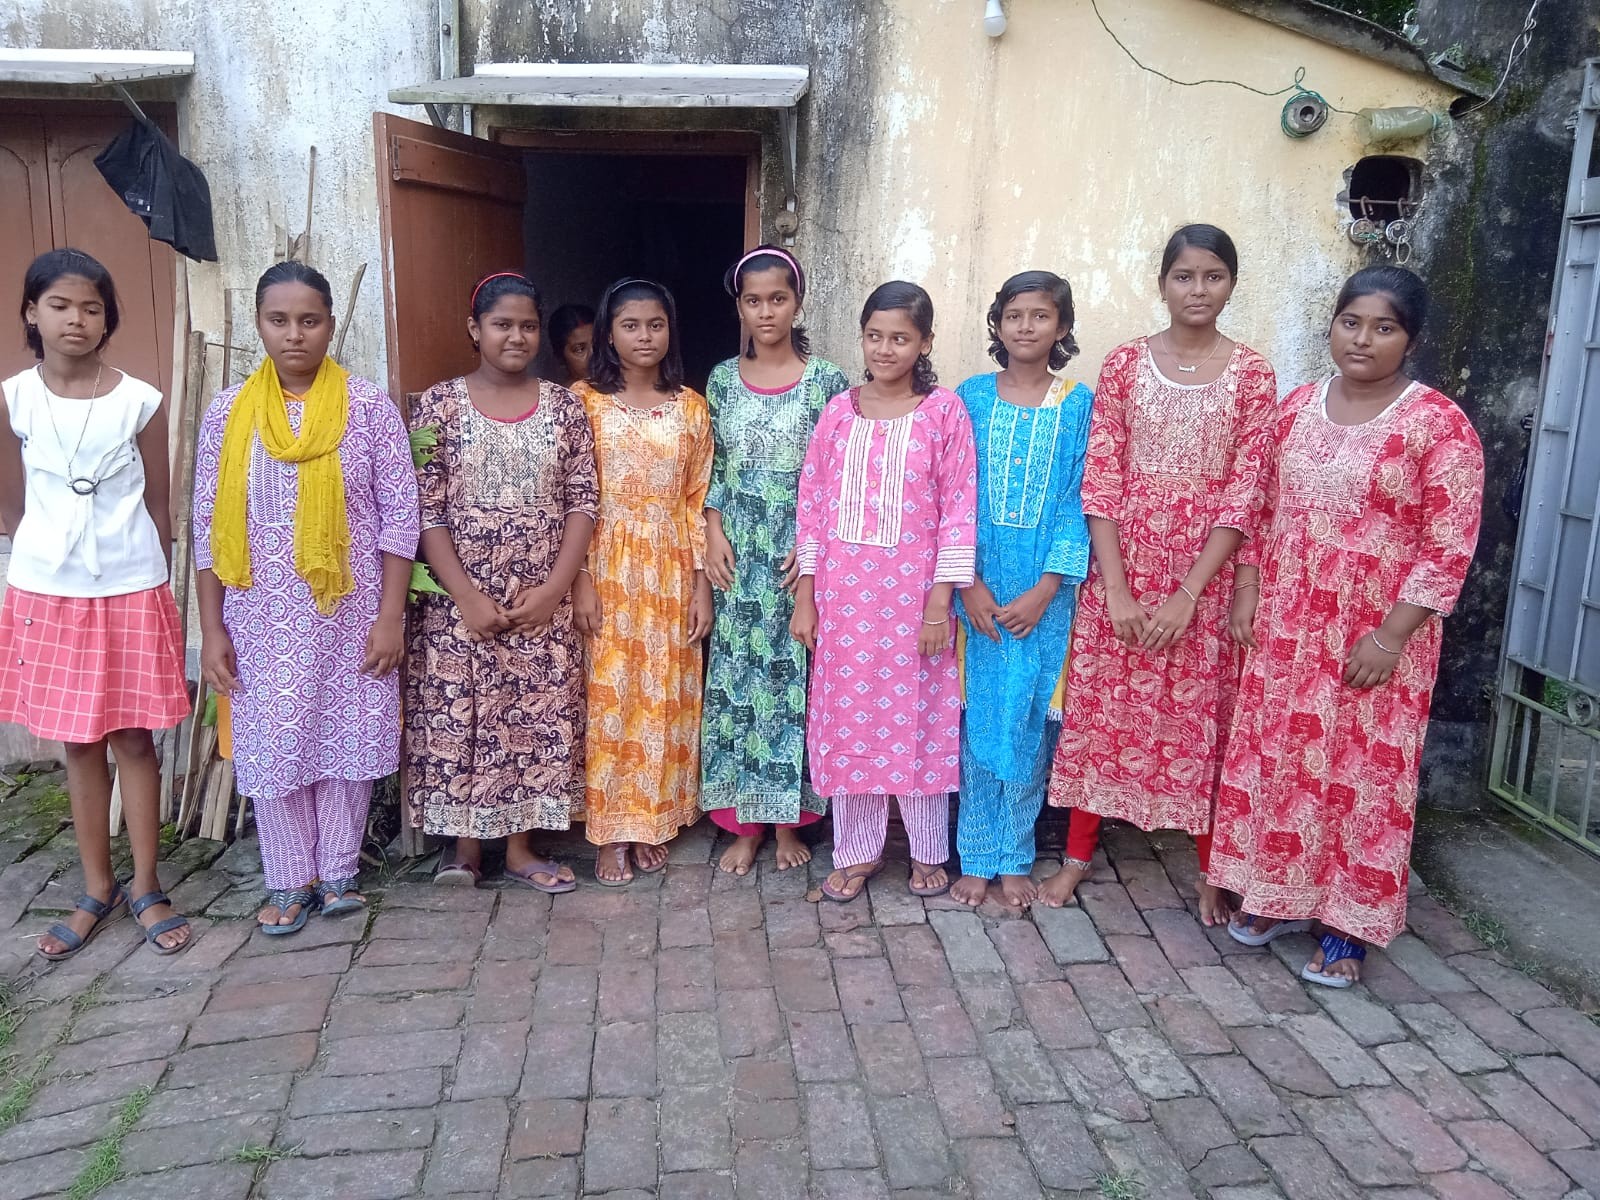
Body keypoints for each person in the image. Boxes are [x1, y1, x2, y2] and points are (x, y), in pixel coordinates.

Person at [1208, 266, 1483, 986]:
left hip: (1375, 634)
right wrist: (1246, 588)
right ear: (1331, 325)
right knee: (1281, 763)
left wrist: (1392, 635)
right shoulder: (1297, 408)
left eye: (1383, 327)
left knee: (1358, 778)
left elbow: (1448, 545)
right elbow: (1259, 507)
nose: (1363, 339)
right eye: (1351, 321)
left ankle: (1344, 926)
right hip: (1286, 624)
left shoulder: (1437, 425)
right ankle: (1274, 896)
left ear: (1410, 339)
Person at [1039, 225, 1277, 919]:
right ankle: (1079, 855)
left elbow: (1247, 490)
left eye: (1212, 277)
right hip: (1123, 563)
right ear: (1163, 282)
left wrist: (1190, 593)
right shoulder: (1123, 365)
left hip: (1204, 570)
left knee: (1203, 718)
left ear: (1231, 284)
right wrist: (1114, 587)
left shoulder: (1253, 374)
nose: (1197, 290)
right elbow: (1102, 479)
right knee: (1102, 710)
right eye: (1184, 276)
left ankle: (1211, 868)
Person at [194, 261, 419, 934]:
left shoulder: (367, 406)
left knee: (346, 735)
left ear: (329, 325)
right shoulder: (228, 413)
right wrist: (211, 631)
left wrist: (390, 618)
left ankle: (341, 872)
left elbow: (400, 515)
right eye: (279, 320)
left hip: (351, 611)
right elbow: (209, 525)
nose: (295, 335)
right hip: (259, 617)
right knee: (275, 741)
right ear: (261, 324)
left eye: (310, 320)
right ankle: (290, 880)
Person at [0, 249, 192, 959]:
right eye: (59, 305)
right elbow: (13, 503)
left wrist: (140, 570)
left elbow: (160, 504)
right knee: (77, 743)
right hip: (49, 591)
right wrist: (46, 554)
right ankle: (94, 886)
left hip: (131, 586)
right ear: (31, 312)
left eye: (90, 307)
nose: (75, 319)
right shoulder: (13, 398)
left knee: (135, 737)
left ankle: (146, 882)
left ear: (108, 318)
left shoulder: (138, 399)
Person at [406, 272, 598, 892]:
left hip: (541, 594)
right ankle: (463, 848)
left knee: (533, 719)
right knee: (465, 714)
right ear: (475, 330)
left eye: (527, 326)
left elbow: (582, 503)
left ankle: (520, 849)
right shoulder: (436, 407)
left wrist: (553, 590)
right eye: (501, 324)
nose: (516, 336)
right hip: (460, 596)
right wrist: (463, 593)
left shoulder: (566, 406)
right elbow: (425, 509)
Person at [792, 281, 976, 901]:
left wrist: (938, 604)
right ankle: (857, 851)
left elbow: (958, 511)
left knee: (921, 720)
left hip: (915, 602)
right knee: (851, 723)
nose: (886, 349)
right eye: (875, 336)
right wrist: (806, 597)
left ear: (924, 342)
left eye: (901, 337)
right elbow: (812, 507)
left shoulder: (944, 411)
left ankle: (927, 851)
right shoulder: (839, 412)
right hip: (846, 603)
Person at [701, 247, 850, 876]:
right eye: (753, 300)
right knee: (739, 683)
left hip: (799, 555)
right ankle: (746, 825)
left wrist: (812, 545)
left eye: (778, 299)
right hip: (738, 552)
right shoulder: (719, 380)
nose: (766, 311)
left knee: (798, 684)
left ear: (798, 301)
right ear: (739, 306)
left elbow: (839, 474)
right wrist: (711, 532)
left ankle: (793, 822)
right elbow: (712, 467)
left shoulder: (829, 381)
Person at [952, 271, 1093, 909]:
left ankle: (1015, 856)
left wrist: (1047, 587)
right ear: (997, 323)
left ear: (1062, 328)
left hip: (1045, 593)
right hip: (976, 587)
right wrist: (969, 584)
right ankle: (976, 855)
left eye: (1041, 316)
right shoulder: (970, 398)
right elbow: (953, 500)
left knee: (1032, 720)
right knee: (977, 718)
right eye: (1014, 315)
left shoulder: (1077, 402)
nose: (1027, 327)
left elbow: (1076, 499)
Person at [572, 278, 713, 884]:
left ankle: (651, 818)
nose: (645, 336)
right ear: (609, 333)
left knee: (662, 694)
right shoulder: (581, 402)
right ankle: (610, 830)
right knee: (609, 695)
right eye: (631, 325)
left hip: (671, 565)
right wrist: (577, 575)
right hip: (604, 562)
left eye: (656, 324)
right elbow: (570, 496)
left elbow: (697, 499)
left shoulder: (691, 406)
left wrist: (703, 580)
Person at [548, 304, 595, 386]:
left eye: (599, 343)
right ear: (561, 358)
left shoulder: (621, 391)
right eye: (580, 349)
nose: (594, 355)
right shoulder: (562, 397)